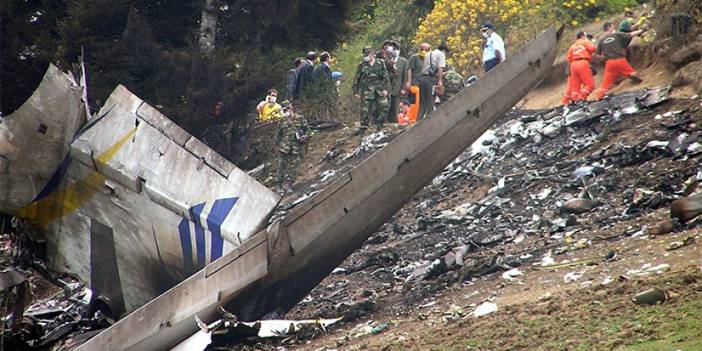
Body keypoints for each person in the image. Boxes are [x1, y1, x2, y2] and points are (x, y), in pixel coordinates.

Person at [593, 22, 645, 100]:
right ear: (609, 28)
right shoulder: (616, 35)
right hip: (620, 60)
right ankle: (640, 83)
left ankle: (597, 97)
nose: (613, 29)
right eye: (612, 27)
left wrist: (604, 58)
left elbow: (597, 55)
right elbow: (631, 34)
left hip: (609, 63)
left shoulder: (601, 40)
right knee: (632, 73)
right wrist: (642, 30)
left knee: (605, 83)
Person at [352, 46, 390, 138]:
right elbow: (357, 78)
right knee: (365, 110)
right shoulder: (362, 65)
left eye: (367, 55)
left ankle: (380, 124)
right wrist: (356, 91)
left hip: (379, 89)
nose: (366, 57)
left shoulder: (380, 63)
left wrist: (385, 89)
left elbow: (386, 77)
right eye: (364, 55)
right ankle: (363, 128)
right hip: (367, 91)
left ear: (372, 54)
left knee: (384, 106)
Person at [274, 100, 309, 194]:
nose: (286, 112)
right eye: (284, 110)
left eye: (287, 109)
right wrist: (276, 147)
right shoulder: (282, 121)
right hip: (284, 148)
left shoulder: (300, 118)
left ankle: (290, 185)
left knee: (294, 167)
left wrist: (305, 136)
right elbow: (278, 135)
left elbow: (308, 130)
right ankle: (279, 186)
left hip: (296, 147)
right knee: (281, 166)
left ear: (291, 108)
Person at [562, 31, 597, 105]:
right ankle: (580, 99)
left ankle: (574, 101)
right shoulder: (584, 42)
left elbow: (569, 58)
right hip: (583, 62)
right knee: (590, 85)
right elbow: (593, 49)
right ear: (582, 36)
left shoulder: (572, 46)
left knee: (575, 88)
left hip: (573, 65)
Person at [417, 43, 449, 120]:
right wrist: (440, 80)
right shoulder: (441, 54)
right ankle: (429, 124)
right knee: (430, 103)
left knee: (422, 104)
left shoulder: (428, 54)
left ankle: (417, 123)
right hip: (430, 80)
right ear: (444, 50)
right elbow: (440, 68)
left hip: (422, 79)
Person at [385, 40, 409, 123]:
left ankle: (396, 123)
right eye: (392, 49)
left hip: (398, 88)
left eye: (395, 49)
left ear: (399, 50)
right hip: (388, 88)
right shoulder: (387, 61)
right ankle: (388, 123)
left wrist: (403, 88)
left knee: (396, 107)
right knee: (388, 107)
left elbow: (405, 76)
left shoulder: (404, 61)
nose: (394, 51)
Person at [406, 43, 430, 123]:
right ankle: (412, 120)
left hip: (425, 84)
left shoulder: (429, 58)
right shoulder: (414, 57)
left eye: (426, 50)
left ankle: (421, 120)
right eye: (423, 49)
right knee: (415, 104)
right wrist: (409, 82)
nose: (424, 51)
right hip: (415, 83)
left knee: (424, 103)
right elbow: (409, 69)